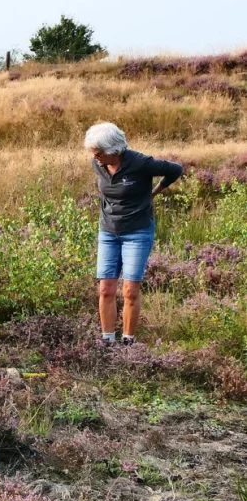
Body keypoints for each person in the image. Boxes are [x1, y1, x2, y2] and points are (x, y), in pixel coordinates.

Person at [85, 122, 183, 346]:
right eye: (94, 153)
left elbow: (175, 169)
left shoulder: (141, 163)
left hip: (137, 232)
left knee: (130, 290)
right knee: (106, 289)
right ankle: (107, 342)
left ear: (114, 150)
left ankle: (128, 342)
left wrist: (154, 192)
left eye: (99, 153)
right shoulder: (98, 164)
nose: (95, 157)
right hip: (108, 232)